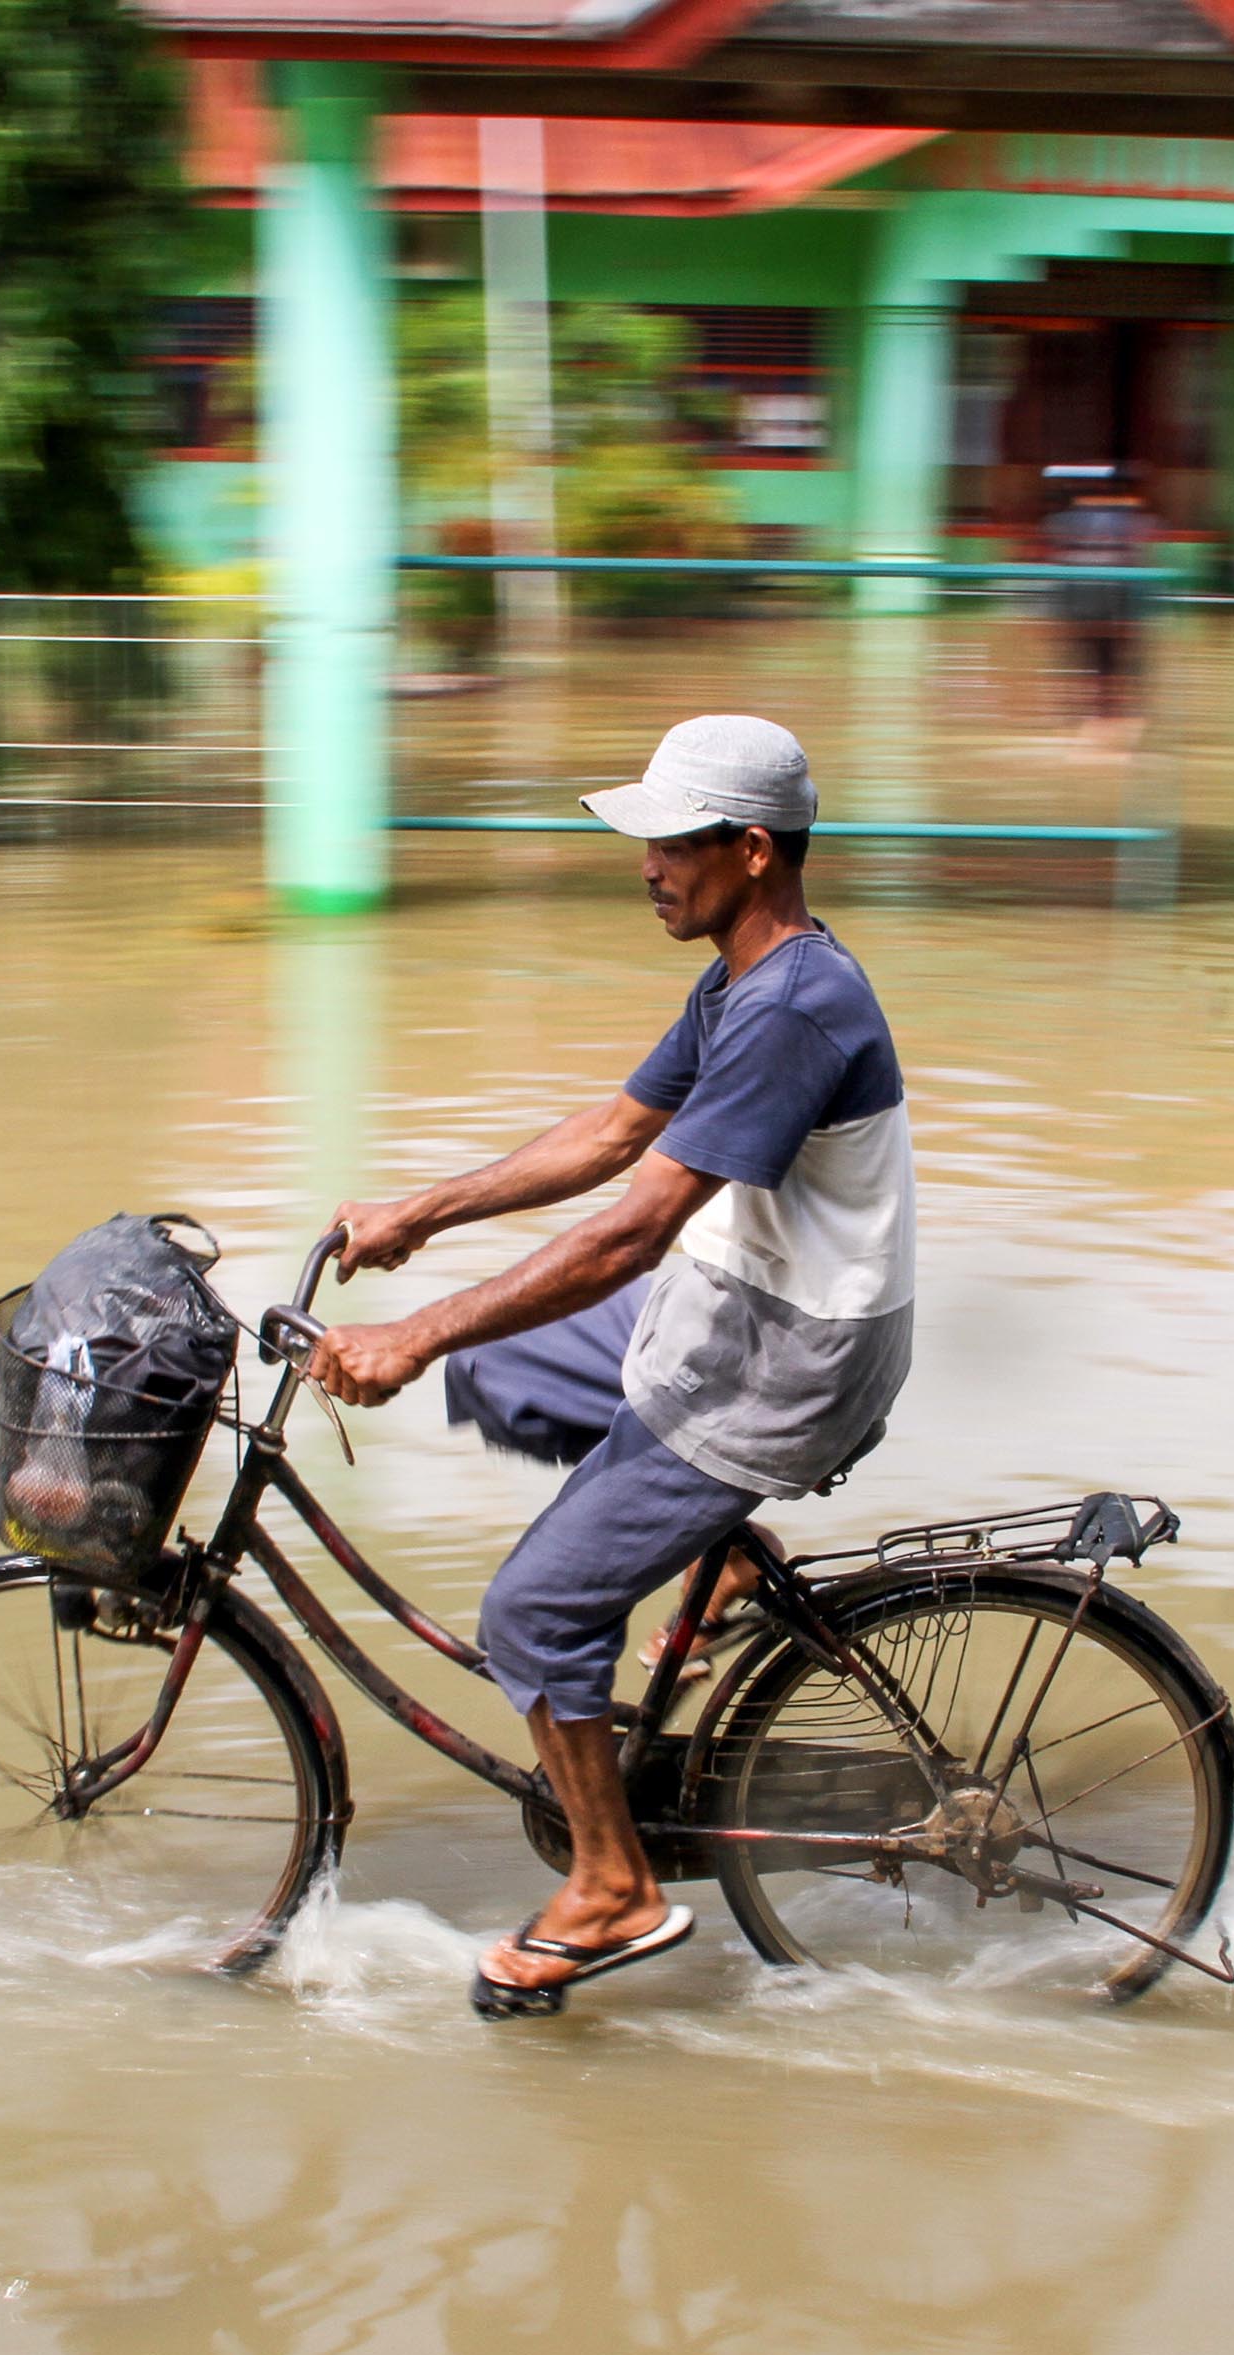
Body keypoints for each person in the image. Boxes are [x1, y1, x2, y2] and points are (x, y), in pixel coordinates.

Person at [305, 714, 916, 2019]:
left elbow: (634, 1227)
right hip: (740, 1300)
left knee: (530, 1613)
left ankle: (610, 1888)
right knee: (507, 1371)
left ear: (751, 851)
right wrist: (424, 1211)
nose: (642, 864)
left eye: (668, 842)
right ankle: (724, 1561)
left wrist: (411, 1334)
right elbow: (613, 1131)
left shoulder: (795, 1006)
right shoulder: (744, 978)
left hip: (789, 1359)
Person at [1041, 465, 1154, 736]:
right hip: (1110, 598)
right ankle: (1105, 709)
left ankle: (1087, 709)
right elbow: (1139, 555)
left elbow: (1054, 554)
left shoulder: (1066, 521)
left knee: (1088, 653)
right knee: (1111, 655)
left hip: (1088, 598)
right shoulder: (1133, 521)